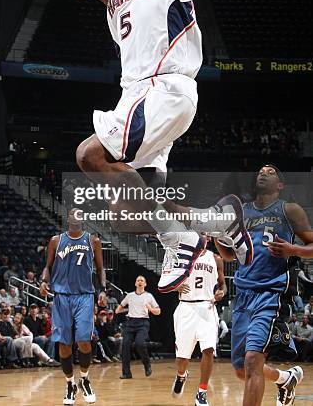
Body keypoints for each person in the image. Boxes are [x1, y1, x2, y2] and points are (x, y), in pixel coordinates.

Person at [63, 0, 253, 293]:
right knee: (128, 211)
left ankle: (178, 239)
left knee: (89, 155)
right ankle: (219, 221)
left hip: (163, 89)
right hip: (137, 97)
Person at [216, 165, 313, 406]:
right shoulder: (243, 213)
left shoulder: (290, 210)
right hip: (244, 294)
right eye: (261, 170)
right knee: (241, 369)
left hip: (272, 293)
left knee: (252, 362)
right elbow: (229, 255)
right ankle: (285, 378)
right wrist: (218, 237)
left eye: (270, 172)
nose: (263, 172)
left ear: (280, 184)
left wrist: (294, 250)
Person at [40, 209, 106, 405]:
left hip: (85, 295)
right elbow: (48, 267)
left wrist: (103, 290)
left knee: (84, 341)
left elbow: (101, 269)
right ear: (67, 218)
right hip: (61, 297)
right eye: (73, 214)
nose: (77, 217)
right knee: (65, 344)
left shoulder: (93, 241)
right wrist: (44, 281)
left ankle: (84, 379)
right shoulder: (56, 241)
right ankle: (70, 384)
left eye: (80, 214)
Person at [171, 241, 226, 405]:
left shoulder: (215, 258)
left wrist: (222, 291)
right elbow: (166, 281)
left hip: (207, 307)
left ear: (207, 238)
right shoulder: (180, 257)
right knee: (181, 360)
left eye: (204, 233)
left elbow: (223, 284)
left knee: (208, 350)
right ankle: (182, 375)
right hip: (186, 307)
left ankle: (202, 392)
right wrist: (176, 287)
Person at [115, 275, 160, 379]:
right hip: (130, 322)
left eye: (142, 280)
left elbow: (158, 311)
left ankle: (147, 363)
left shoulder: (149, 296)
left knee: (140, 343)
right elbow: (118, 309)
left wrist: (150, 309)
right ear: (135, 283)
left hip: (143, 323)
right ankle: (126, 373)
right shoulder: (130, 296)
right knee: (125, 345)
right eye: (138, 280)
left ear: (145, 284)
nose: (140, 282)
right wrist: (126, 309)